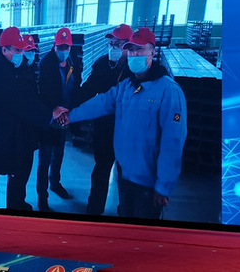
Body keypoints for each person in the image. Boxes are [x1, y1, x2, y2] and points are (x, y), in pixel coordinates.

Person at [63, 27, 187, 220]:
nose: (134, 54)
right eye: (131, 50)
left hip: (148, 182)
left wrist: (164, 186)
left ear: (153, 52)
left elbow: (173, 142)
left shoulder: (168, 91)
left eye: (140, 49)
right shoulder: (126, 87)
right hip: (126, 176)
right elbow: (101, 102)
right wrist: (69, 116)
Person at [0, 26, 67, 209]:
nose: (21, 54)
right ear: (4, 50)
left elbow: (25, 98)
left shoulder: (8, 68)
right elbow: (19, 102)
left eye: (22, 50)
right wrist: (50, 114)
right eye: (17, 50)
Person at [74, 23, 133, 215]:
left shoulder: (135, 70)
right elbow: (87, 90)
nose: (113, 47)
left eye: (118, 44)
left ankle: (126, 209)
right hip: (105, 128)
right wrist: (69, 107)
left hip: (127, 131)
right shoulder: (102, 65)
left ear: (128, 46)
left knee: (127, 174)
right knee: (101, 169)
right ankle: (94, 209)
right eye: (111, 43)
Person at [36, 27, 81, 211]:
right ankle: (42, 197)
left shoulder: (72, 62)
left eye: (66, 47)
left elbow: (75, 87)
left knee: (59, 154)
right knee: (44, 159)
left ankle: (55, 183)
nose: (63, 50)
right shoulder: (46, 64)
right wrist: (53, 110)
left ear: (70, 47)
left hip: (65, 118)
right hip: (50, 120)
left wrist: (71, 112)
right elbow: (42, 93)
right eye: (60, 47)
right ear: (54, 46)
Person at [6, 33, 40, 210]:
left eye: (32, 51)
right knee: (17, 171)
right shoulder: (15, 75)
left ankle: (20, 200)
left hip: (28, 132)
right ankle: (13, 205)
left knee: (26, 168)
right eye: (27, 51)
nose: (30, 54)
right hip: (18, 133)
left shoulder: (29, 71)